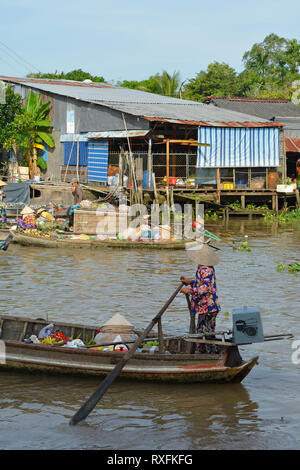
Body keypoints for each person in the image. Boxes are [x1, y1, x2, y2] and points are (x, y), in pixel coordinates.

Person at [180, 242, 220, 353]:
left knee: (206, 333)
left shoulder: (206, 269)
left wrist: (190, 290)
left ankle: (209, 354)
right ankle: (204, 352)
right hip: (205, 307)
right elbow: (200, 283)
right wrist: (190, 282)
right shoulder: (202, 267)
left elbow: (206, 287)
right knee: (202, 332)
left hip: (208, 307)